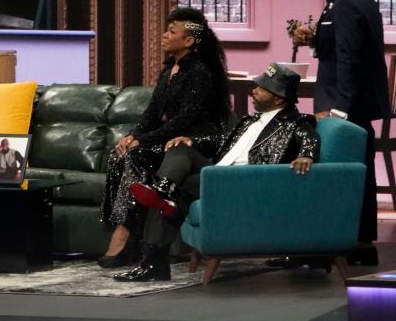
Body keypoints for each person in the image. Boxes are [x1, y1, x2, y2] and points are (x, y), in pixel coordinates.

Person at [114, 63, 320, 281]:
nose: (254, 90)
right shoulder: (248, 120)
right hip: (217, 175)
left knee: (167, 196)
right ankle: (163, 192)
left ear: (278, 98)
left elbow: (309, 137)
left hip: (242, 180)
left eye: (261, 88)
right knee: (178, 151)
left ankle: (154, 259)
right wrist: (192, 140)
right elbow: (221, 141)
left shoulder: (297, 122)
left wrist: (306, 154)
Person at [98, 7, 230, 268]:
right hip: (167, 138)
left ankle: (126, 235)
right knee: (120, 154)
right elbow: (152, 113)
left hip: (190, 143)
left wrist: (143, 141)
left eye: (172, 31)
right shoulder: (169, 70)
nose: (164, 35)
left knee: (137, 156)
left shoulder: (199, 73)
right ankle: (127, 232)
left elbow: (185, 120)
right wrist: (133, 135)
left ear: (189, 40)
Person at [292, 0, 389, 266]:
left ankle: (346, 245)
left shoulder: (350, 0)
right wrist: (314, 38)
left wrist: (338, 113)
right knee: (351, 172)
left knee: (345, 173)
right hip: (342, 101)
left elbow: (351, 59)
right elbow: (338, 46)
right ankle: (354, 244)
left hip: (348, 104)